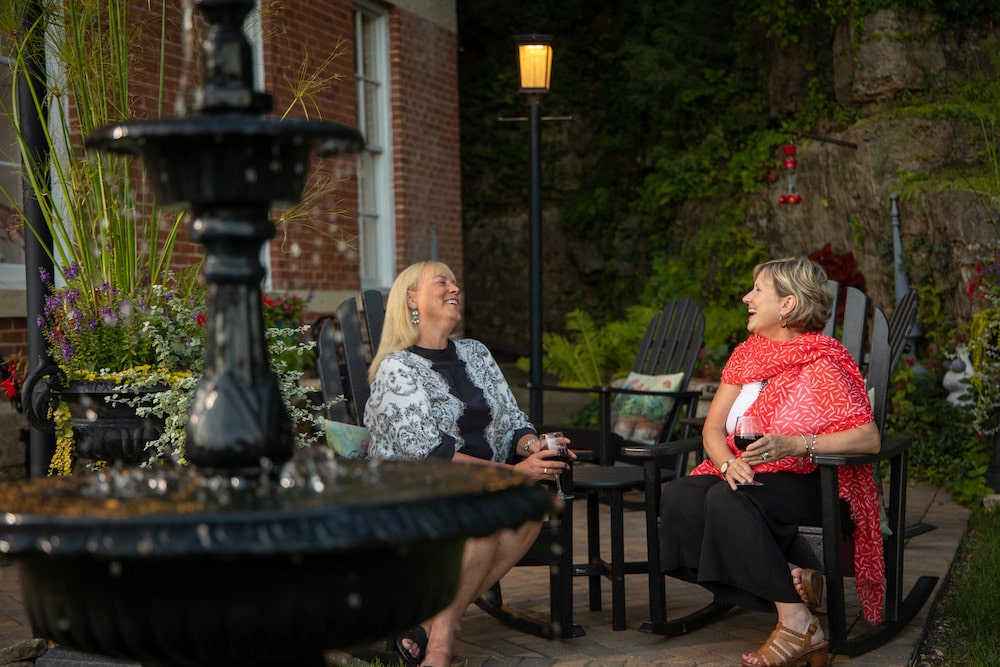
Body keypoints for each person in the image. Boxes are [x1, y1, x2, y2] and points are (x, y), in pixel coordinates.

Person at [658, 257, 883, 667]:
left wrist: (796, 444)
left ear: (788, 304)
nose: (747, 297)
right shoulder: (746, 356)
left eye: (757, 290)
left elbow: (867, 439)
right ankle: (792, 583)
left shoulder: (823, 360)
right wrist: (727, 464)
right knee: (680, 497)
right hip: (752, 474)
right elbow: (711, 432)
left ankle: (796, 620)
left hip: (812, 483)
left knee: (726, 502)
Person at [365, 260, 574, 667]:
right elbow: (427, 451)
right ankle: (440, 648)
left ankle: (429, 629)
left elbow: (512, 420)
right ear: (411, 299)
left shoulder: (475, 352)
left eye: (455, 282)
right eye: (441, 282)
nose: (454, 288)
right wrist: (513, 474)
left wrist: (533, 446)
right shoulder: (397, 367)